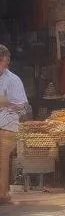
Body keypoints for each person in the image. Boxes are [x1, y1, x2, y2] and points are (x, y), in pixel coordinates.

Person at [0, 45, 29, 203]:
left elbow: (22, 106)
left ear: (6, 61)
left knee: (2, 157)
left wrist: (5, 103)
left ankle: (2, 193)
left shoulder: (13, 80)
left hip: (7, 125)